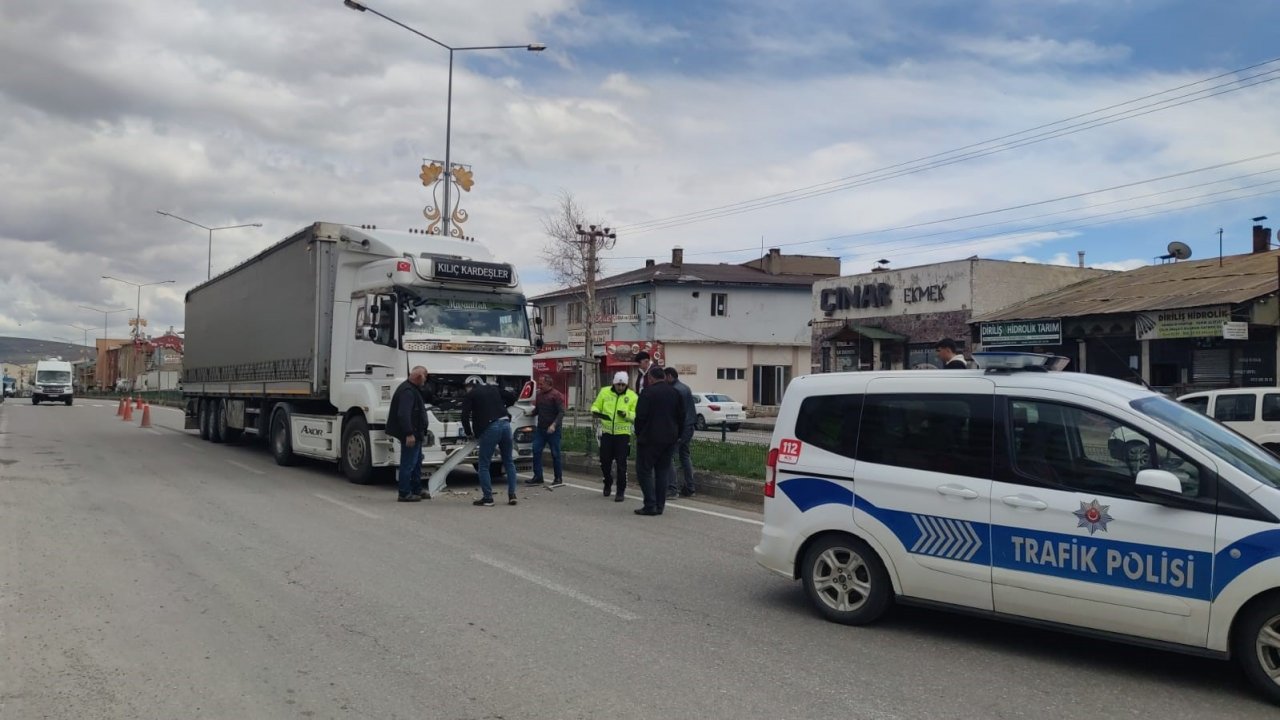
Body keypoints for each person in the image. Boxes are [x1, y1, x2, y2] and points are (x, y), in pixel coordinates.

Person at [633, 365, 685, 516]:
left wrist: (639, 434)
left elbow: (640, 417)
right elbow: (681, 417)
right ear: (663, 376)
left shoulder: (647, 393)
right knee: (662, 472)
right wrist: (677, 435)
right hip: (669, 438)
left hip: (649, 438)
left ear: (650, 378)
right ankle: (660, 505)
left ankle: (650, 504)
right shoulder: (675, 393)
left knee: (644, 471)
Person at [461, 376, 519, 507]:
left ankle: (488, 498)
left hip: (490, 427)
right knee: (508, 461)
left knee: (484, 464)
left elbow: (464, 416)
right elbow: (512, 397)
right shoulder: (493, 389)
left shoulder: (471, 395)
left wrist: (469, 433)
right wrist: (503, 407)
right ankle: (512, 495)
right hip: (505, 423)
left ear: (469, 386)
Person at [386, 365, 431, 502]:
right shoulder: (407, 391)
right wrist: (409, 433)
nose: (425, 381)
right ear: (419, 377)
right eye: (425, 377)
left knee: (416, 462)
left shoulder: (412, 389)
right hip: (411, 434)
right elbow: (403, 414)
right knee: (408, 463)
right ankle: (404, 493)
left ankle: (416, 489)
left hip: (417, 433)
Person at [591, 371, 638, 502]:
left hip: (622, 435)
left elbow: (636, 414)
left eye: (623, 385)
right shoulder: (605, 392)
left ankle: (620, 491)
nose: (620, 387)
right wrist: (595, 411)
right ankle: (608, 481)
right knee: (604, 461)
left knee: (621, 464)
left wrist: (627, 415)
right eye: (618, 384)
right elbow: (596, 405)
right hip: (606, 433)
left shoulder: (632, 396)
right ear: (614, 383)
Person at [526, 374, 566, 488]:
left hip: (553, 430)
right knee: (536, 450)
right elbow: (538, 410)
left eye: (541, 384)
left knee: (555, 454)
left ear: (548, 384)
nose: (539, 385)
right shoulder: (539, 395)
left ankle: (558, 477)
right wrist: (530, 413)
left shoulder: (556, 395)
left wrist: (554, 425)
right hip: (541, 429)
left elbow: (561, 412)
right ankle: (538, 476)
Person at [663, 366, 697, 497]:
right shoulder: (685, 387)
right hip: (689, 426)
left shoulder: (674, 390)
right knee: (684, 456)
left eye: (665, 377)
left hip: (680, 428)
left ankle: (672, 489)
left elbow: (675, 413)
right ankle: (690, 487)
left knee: (670, 456)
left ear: (670, 376)